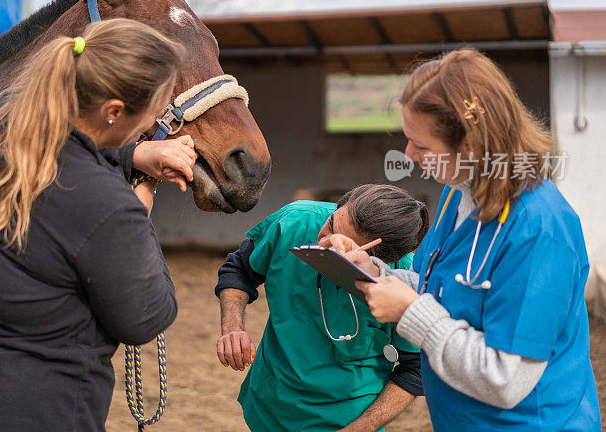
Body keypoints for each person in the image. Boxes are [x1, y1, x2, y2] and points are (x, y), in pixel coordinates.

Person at [0, 19, 197, 432]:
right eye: (154, 108)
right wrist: (141, 194)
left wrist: (133, 156)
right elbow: (146, 318)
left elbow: (66, 154)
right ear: (113, 111)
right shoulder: (109, 206)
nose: (154, 120)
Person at [337, 49, 601, 430]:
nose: (408, 155)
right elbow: (441, 289)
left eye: (421, 145)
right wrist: (374, 272)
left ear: (472, 144)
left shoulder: (539, 229)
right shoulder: (458, 195)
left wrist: (411, 313)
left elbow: (506, 379)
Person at [215, 184, 429, 431]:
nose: (322, 240)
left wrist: (363, 427)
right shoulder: (294, 220)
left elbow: (416, 366)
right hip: (270, 406)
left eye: (343, 244)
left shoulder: (406, 275)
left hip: (347, 418)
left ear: (382, 258)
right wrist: (232, 327)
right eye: (331, 223)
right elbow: (240, 270)